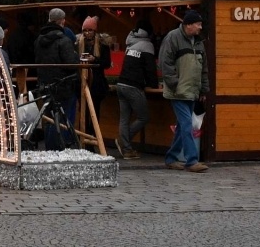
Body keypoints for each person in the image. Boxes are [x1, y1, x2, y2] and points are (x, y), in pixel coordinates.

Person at [158, 10, 207, 172]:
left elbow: (204, 68)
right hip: (178, 91)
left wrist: (203, 89)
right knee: (186, 125)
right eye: (198, 24)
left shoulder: (199, 42)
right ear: (188, 25)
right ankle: (191, 161)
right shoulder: (173, 38)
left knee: (182, 126)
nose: (200, 27)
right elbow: (165, 62)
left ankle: (171, 158)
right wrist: (174, 83)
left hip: (192, 91)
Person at [34, 7, 80, 148]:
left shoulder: (39, 40)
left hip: (44, 83)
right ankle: (58, 148)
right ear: (62, 21)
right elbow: (71, 63)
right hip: (62, 84)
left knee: (49, 117)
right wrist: (77, 57)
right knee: (61, 117)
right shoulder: (64, 40)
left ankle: (50, 147)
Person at [114, 25, 157, 158]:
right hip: (133, 86)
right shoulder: (147, 45)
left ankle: (126, 149)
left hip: (121, 84)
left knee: (124, 119)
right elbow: (150, 69)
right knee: (143, 117)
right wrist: (154, 84)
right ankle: (124, 143)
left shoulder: (131, 43)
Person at [76, 16, 114, 133]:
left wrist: (94, 60)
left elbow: (106, 63)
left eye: (90, 30)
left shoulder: (102, 45)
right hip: (82, 82)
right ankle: (83, 136)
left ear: (95, 30)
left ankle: (92, 136)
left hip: (96, 84)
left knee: (94, 112)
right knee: (83, 112)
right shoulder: (78, 43)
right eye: (85, 30)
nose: (87, 33)